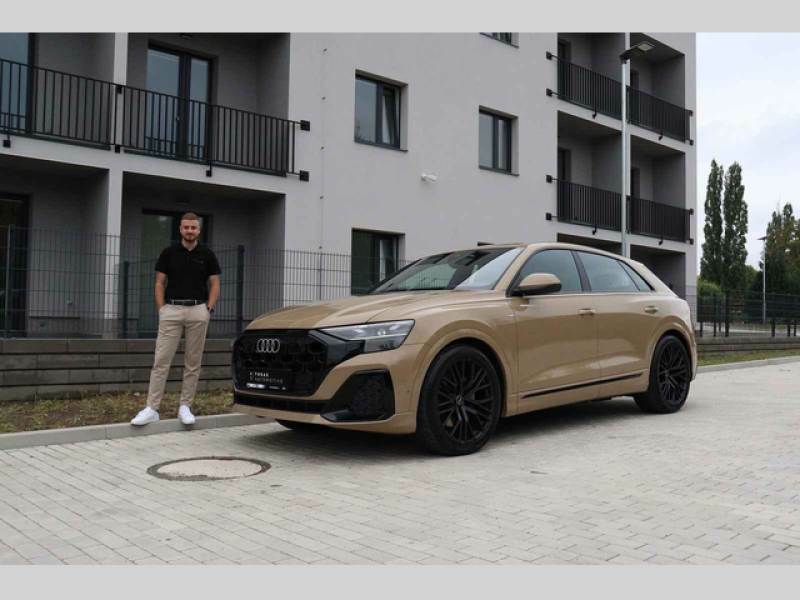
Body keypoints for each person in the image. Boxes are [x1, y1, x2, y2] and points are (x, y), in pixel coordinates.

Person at [131, 213, 221, 426]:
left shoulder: (207, 255)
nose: (190, 231)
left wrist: (208, 308)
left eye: (193, 227)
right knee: (161, 361)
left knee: (193, 362)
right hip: (171, 310)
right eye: (186, 227)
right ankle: (152, 408)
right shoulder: (168, 253)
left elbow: (215, 283)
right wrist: (162, 309)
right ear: (180, 229)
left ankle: (185, 406)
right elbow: (159, 283)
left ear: (198, 230)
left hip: (198, 310)